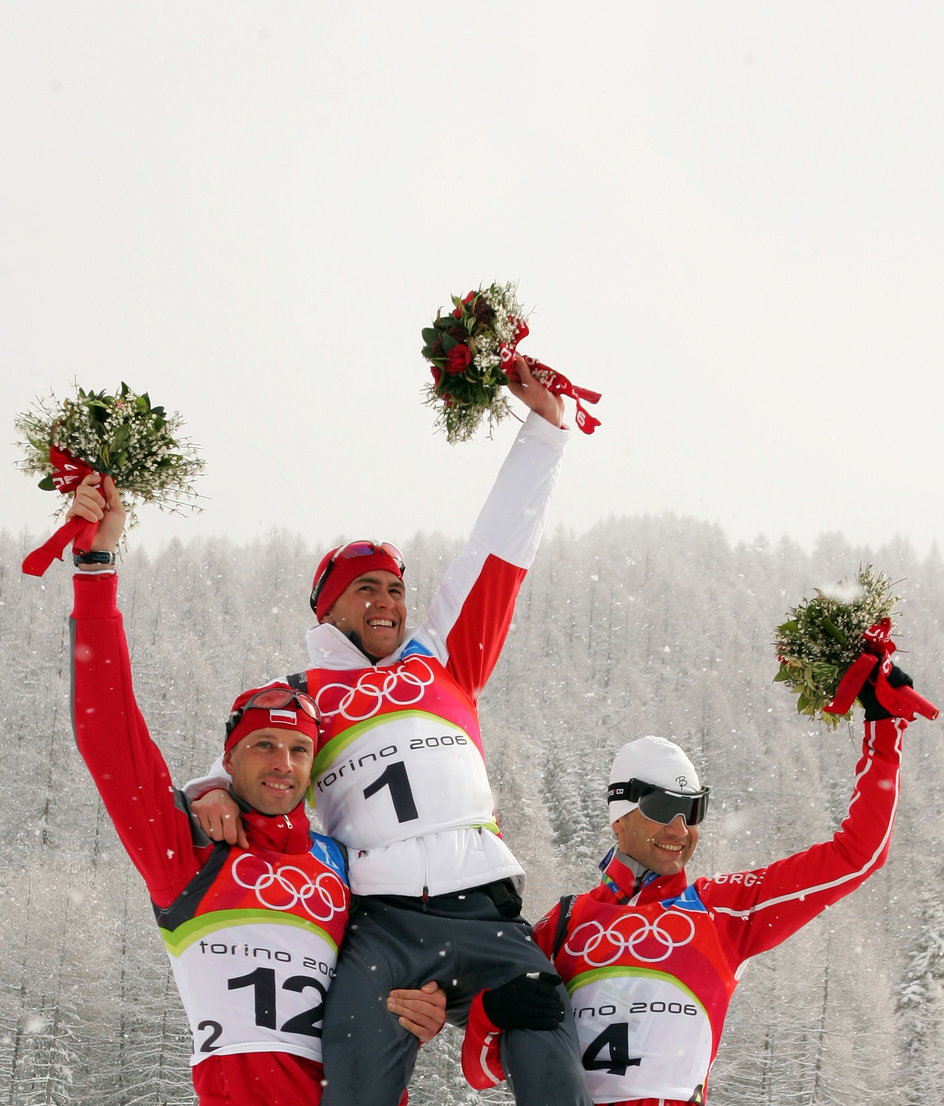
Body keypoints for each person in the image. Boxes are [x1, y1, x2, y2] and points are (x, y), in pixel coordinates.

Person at [188, 357, 594, 1106]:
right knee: (351, 1075)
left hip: (484, 909)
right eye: (365, 590)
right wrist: (208, 789)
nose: (387, 603)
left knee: (551, 1058)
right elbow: (249, 763)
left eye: (397, 590)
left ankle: (498, 1022)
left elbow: (497, 551)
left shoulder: (444, 659)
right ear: (329, 610)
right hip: (384, 925)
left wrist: (545, 432)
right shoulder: (305, 695)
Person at [66, 474, 446, 1106]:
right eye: (264, 745)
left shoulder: (345, 861)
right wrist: (95, 567)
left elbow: (413, 960)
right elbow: (108, 731)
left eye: (300, 750)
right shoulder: (190, 852)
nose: (284, 763)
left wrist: (425, 1005)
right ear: (229, 760)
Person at [460, 666, 933, 1105]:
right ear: (619, 816)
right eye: (664, 808)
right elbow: (483, 1070)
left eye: (694, 811)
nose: (680, 830)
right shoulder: (564, 924)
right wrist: (491, 1013)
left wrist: (883, 726)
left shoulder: (721, 911)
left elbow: (858, 854)